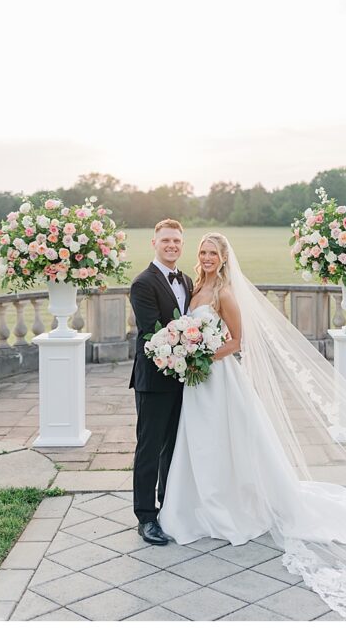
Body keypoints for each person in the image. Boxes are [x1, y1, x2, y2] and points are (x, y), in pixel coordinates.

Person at [155, 233, 346, 621]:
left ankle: (229, 505)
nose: (206, 258)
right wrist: (185, 353)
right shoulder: (194, 288)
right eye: (202, 252)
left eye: (212, 253)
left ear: (223, 259)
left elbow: (238, 341)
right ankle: (199, 504)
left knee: (225, 442)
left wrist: (200, 355)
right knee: (200, 443)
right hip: (196, 384)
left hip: (218, 380)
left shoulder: (225, 293)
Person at [127, 219, 194, 546]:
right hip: (153, 380)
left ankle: (168, 506)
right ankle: (146, 517)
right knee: (149, 448)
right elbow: (152, 331)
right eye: (166, 240)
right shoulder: (143, 283)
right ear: (154, 243)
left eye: (176, 241)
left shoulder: (187, 280)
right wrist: (193, 345)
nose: (171, 245)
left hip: (183, 379)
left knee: (174, 446)